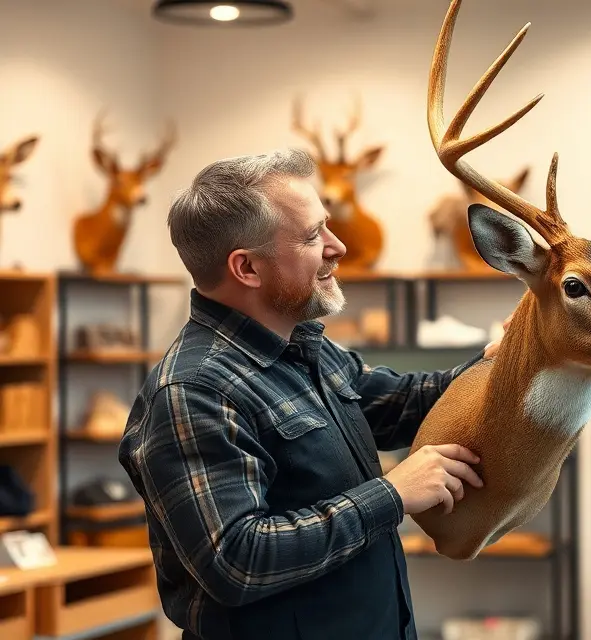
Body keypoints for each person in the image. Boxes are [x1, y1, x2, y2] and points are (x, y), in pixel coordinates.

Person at [117, 148, 507, 640]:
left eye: (326, 225)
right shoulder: (193, 392)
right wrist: (390, 495)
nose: (338, 245)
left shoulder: (306, 349)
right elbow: (237, 560)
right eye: (311, 235)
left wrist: (510, 359)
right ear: (247, 269)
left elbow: (404, 403)